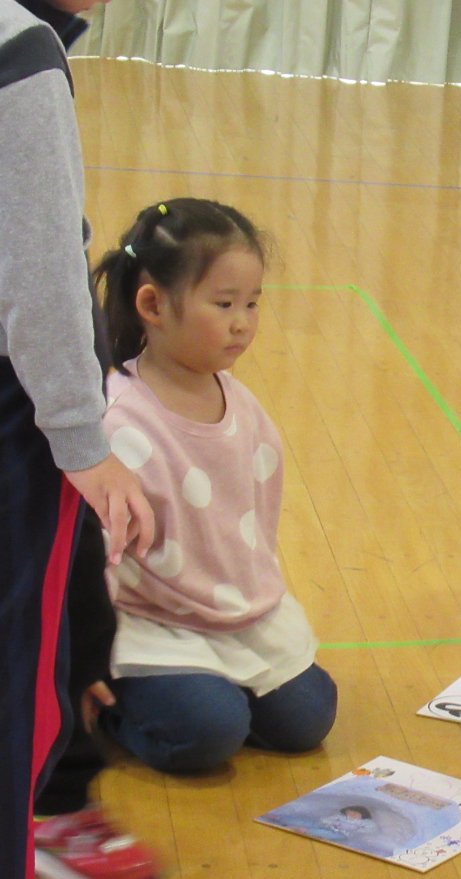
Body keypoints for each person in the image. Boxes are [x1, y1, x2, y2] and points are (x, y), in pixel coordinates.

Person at [1, 0, 154, 879]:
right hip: (12, 415)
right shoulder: (19, 48)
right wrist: (82, 440)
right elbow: (40, 267)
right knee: (16, 681)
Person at [90, 198, 338, 774]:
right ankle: (117, 710)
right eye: (224, 304)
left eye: (252, 303)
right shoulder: (119, 420)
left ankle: (212, 690)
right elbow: (94, 552)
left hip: (234, 616)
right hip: (148, 624)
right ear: (152, 305)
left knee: (309, 718)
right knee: (209, 731)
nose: (242, 322)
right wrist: (82, 657)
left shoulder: (240, 403)